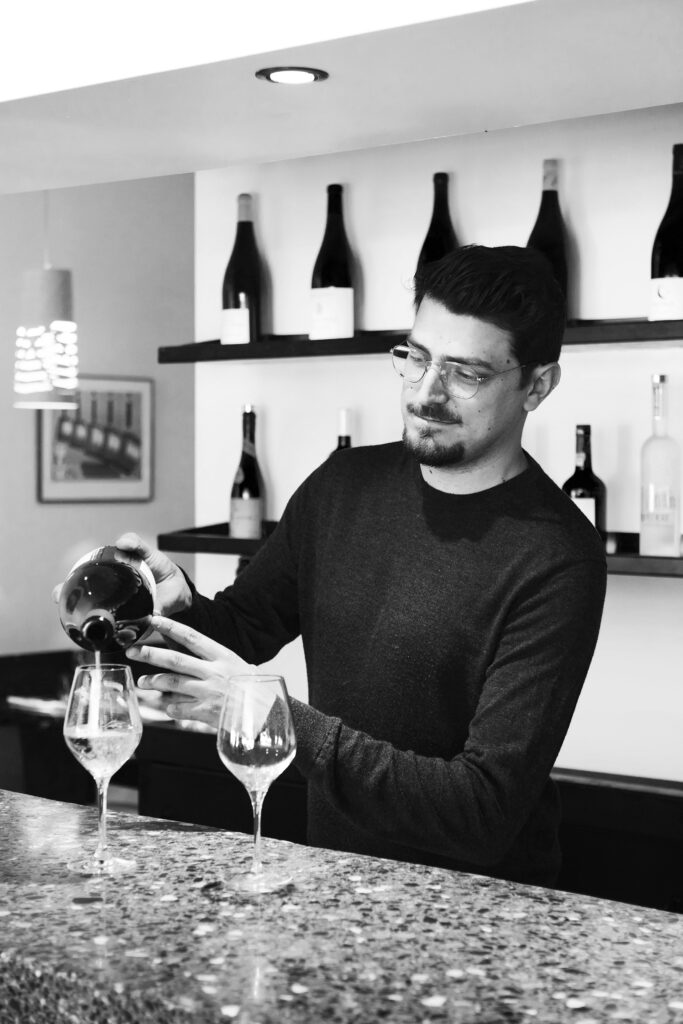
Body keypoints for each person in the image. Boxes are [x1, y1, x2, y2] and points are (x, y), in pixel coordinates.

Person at [122, 244, 607, 887]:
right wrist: (163, 606)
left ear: (537, 386)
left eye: (466, 373)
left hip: (480, 910)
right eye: (416, 357)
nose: (427, 392)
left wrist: (274, 715)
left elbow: (483, 810)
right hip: (338, 882)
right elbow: (241, 629)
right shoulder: (342, 486)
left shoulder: (558, 555)